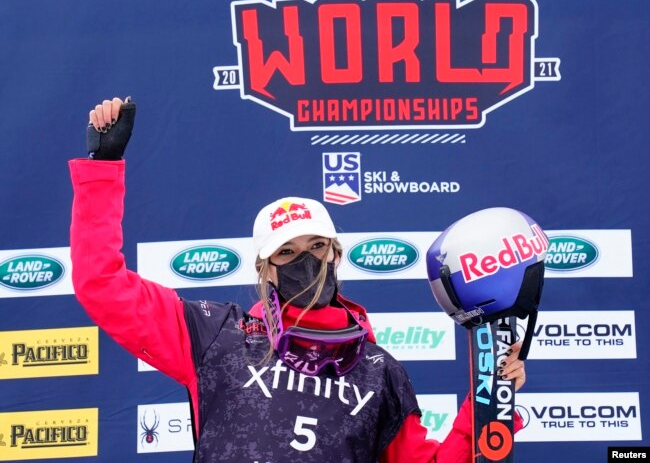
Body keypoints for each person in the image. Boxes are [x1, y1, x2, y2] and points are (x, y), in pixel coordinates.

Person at [70, 97, 526, 462]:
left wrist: (491, 407)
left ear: (335, 255)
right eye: (286, 252)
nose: (303, 262)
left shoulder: (379, 371)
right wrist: (101, 171)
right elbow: (102, 284)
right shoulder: (215, 336)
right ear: (264, 267)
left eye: (316, 247)